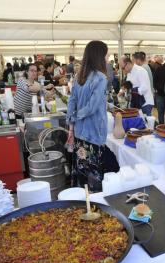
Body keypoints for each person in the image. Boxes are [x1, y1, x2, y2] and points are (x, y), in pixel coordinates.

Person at [66, 40, 119, 192]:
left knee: (81, 168)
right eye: (106, 55)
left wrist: (71, 119)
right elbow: (92, 107)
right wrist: (76, 116)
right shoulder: (100, 77)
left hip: (80, 132)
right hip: (94, 132)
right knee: (93, 173)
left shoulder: (79, 76)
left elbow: (72, 100)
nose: (107, 58)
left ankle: (81, 201)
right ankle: (94, 204)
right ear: (98, 56)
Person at [153, 53, 165, 124]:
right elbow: (154, 81)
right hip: (160, 94)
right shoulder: (159, 68)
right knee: (160, 112)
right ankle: (161, 127)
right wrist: (158, 89)